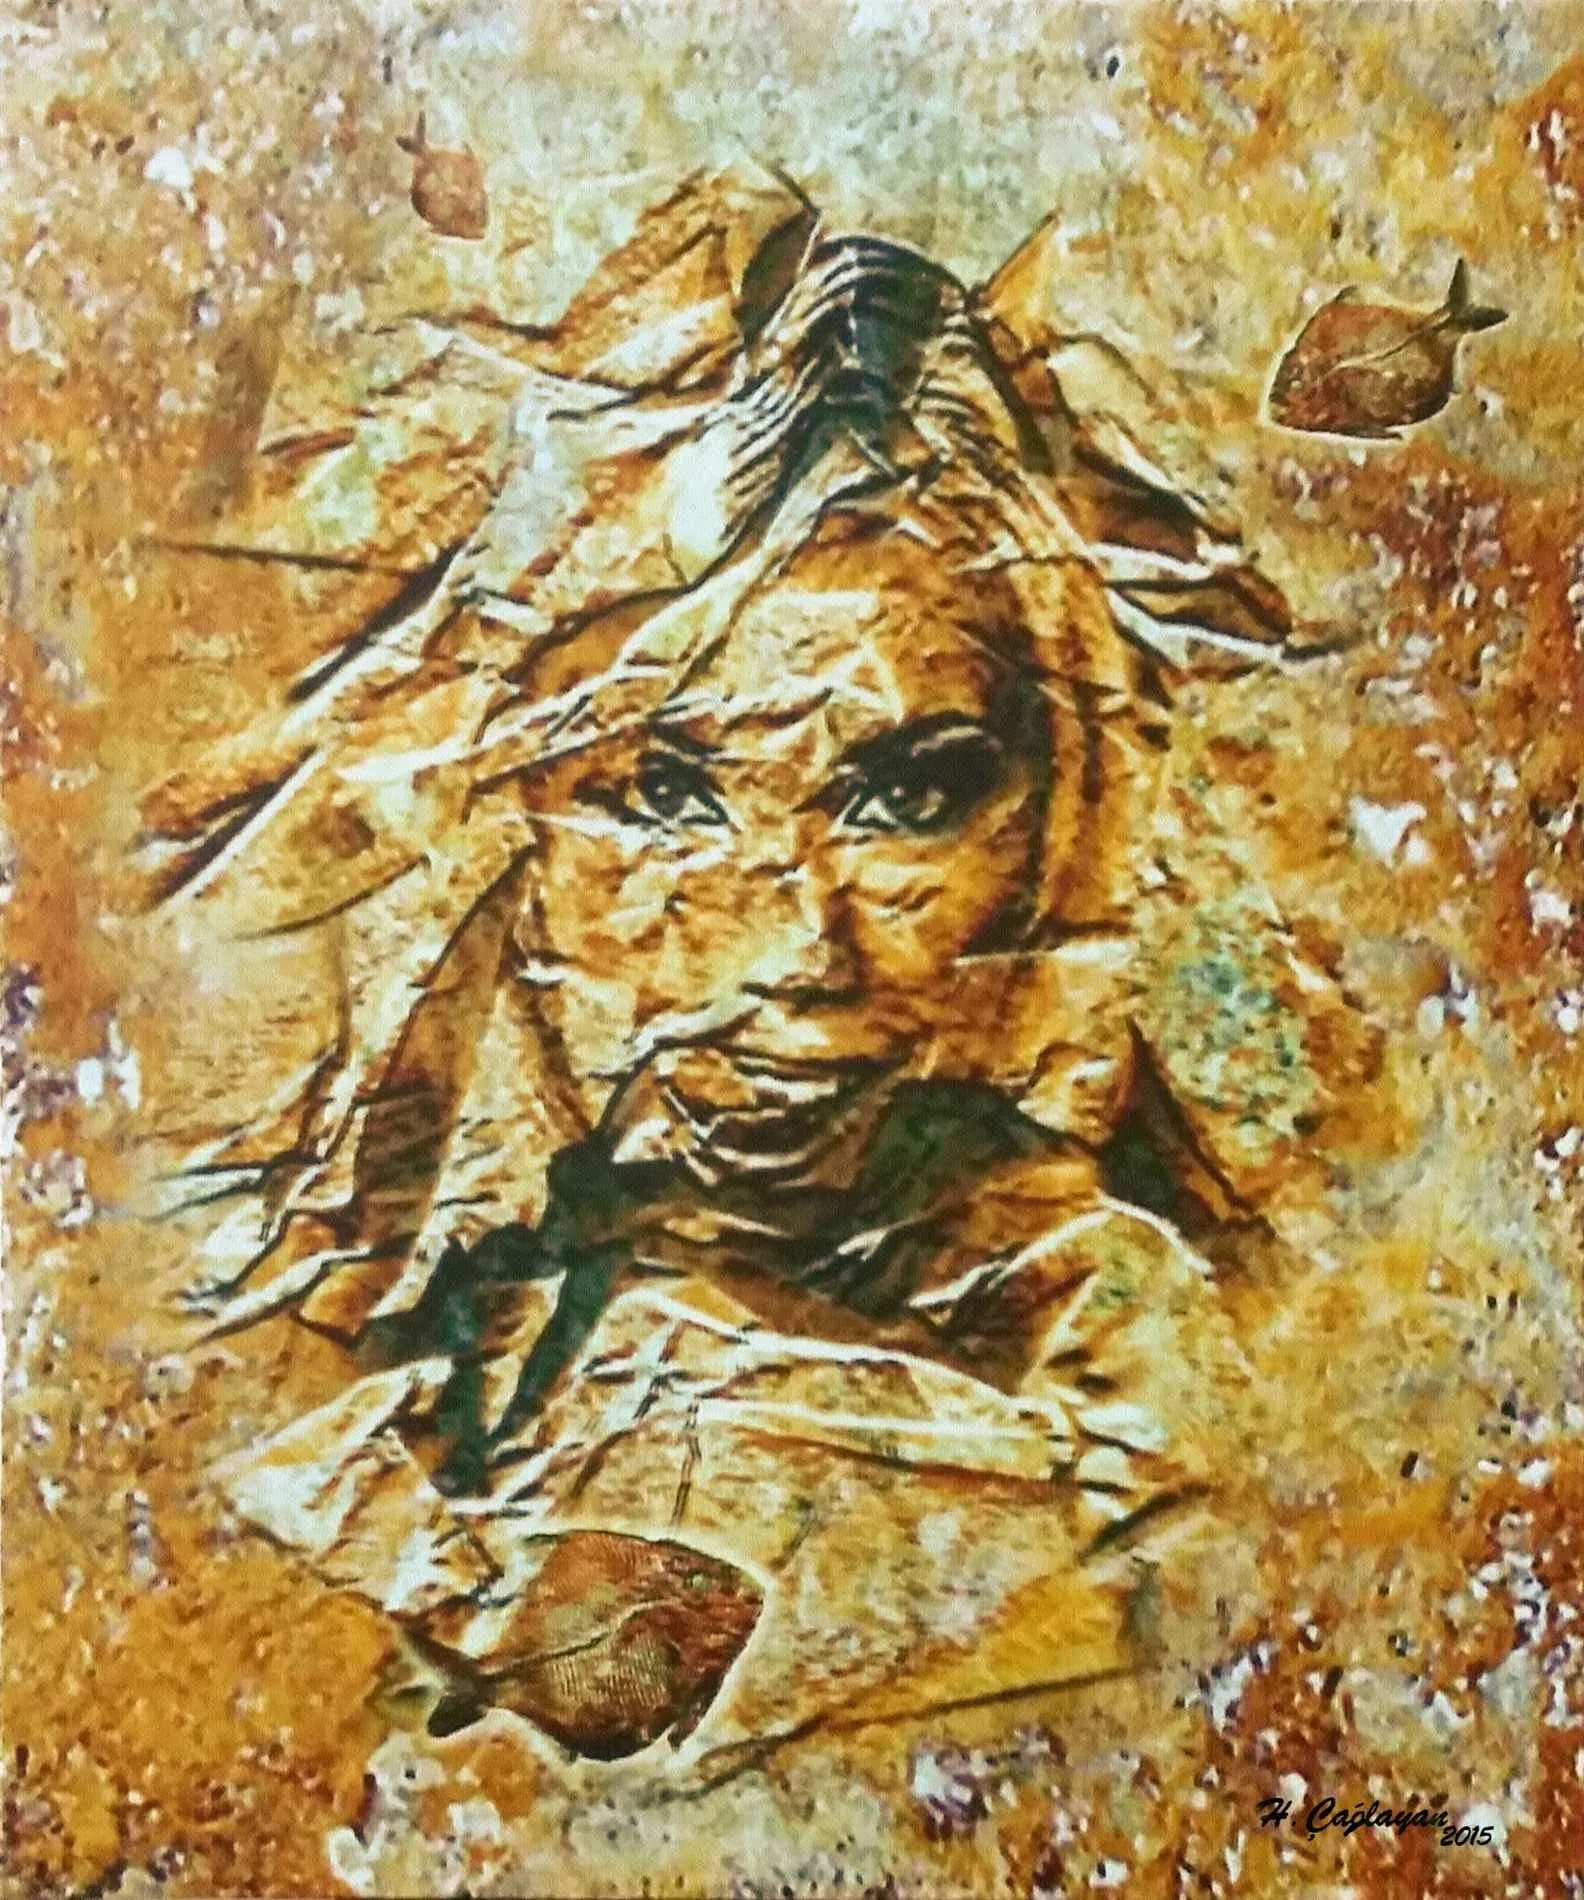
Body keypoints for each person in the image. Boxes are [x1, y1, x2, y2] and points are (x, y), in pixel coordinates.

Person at [143, 171, 1363, 1763]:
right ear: (503, 813)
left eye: (910, 795)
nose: (796, 945)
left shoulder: (1168, 1411)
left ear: (1067, 814)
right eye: (664, 795)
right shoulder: (294, 1390)